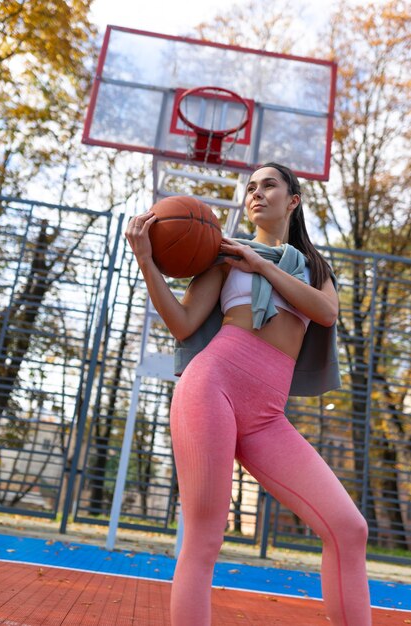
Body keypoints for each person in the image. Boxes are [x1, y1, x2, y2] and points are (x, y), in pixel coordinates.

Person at [125, 162, 371, 626]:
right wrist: (145, 259)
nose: (256, 193)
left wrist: (260, 265)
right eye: (251, 188)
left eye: (268, 185)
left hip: (266, 414)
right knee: (204, 537)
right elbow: (181, 324)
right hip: (211, 386)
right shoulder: (224, 256)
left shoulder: (315, 268)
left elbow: (324, 312)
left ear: (292, 200)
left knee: (348, 528)